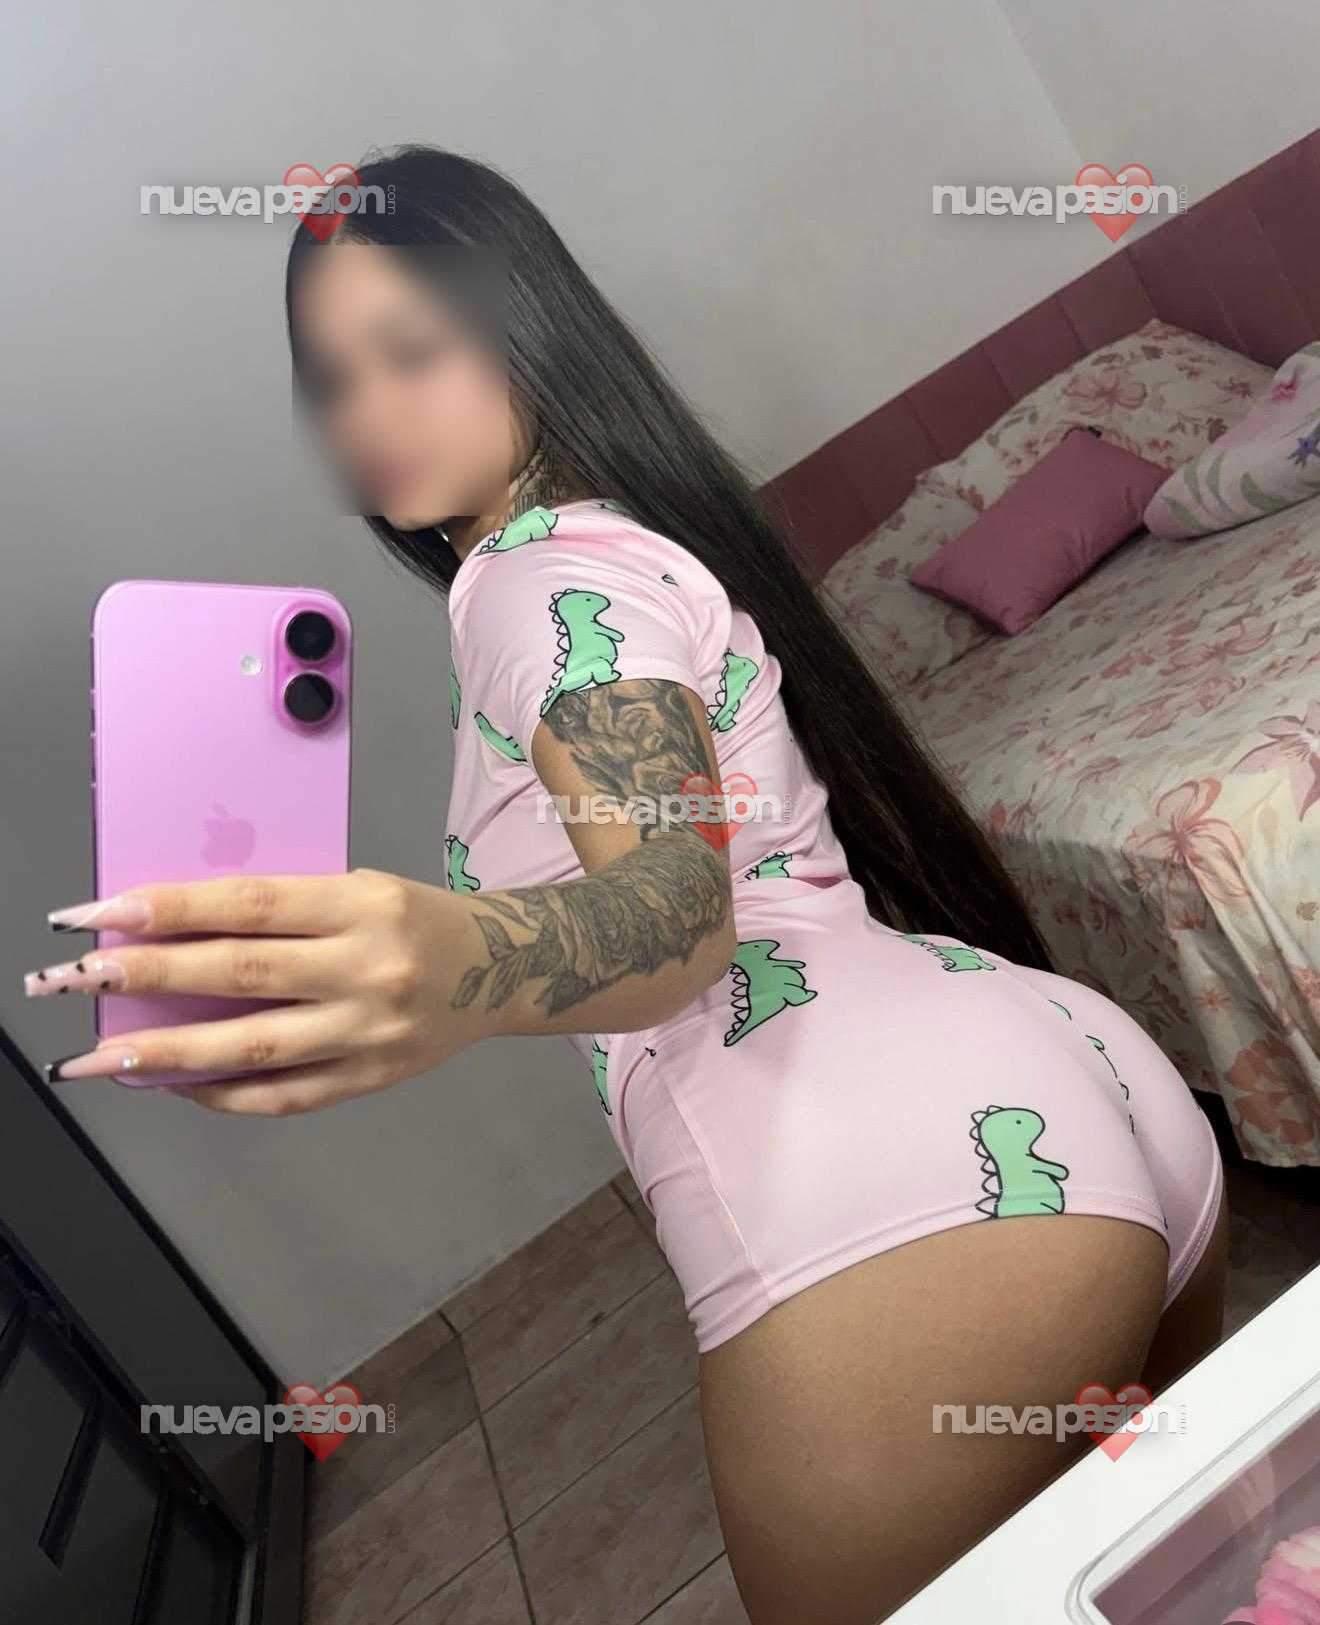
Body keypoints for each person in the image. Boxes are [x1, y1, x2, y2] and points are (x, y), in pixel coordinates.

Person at [29, 145, 1228, 1624]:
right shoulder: (619, 547)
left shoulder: (537, 582)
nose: (370, 412)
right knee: (1204, 1578)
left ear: (525, 324)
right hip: (1057, 1074)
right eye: (332, 379)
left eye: (413, 349)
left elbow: (673, 902)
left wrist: (460, 960)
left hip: (879, 1193)